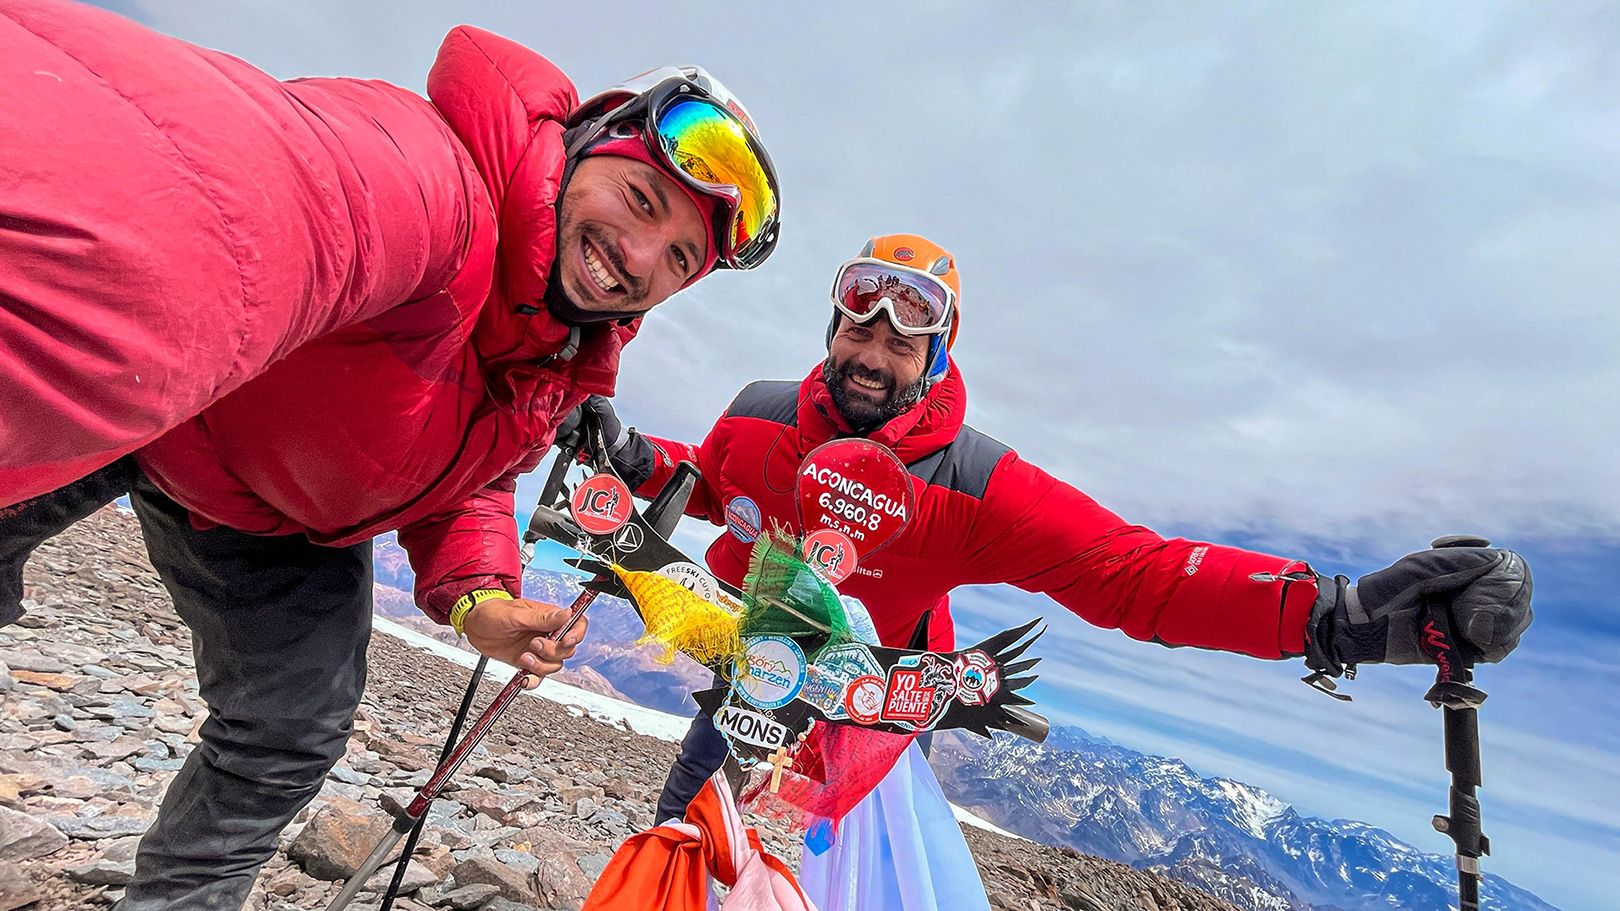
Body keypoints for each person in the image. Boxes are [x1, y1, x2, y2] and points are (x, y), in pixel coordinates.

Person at [0, 4, 781, 908]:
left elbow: (476, 471)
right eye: (640, 200)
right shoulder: (430, 183)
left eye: (679, 258)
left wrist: (480, 597)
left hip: (270, 511)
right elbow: (225, 192)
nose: (639, 256)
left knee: (288, 727)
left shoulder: (556, 352)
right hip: (151, 405)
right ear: (581, 142)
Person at [567, 233, 1534, 826]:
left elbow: (1132, 572)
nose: (872, 352)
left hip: (876, 715)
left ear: (935, 355)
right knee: (681, 837)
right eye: (859, 326)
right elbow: (712, 483)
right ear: (832, 328)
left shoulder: (976, 485)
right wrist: (633, 457)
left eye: (903, 339)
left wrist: (1336, 615)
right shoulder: (759, 415)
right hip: (750, 681)